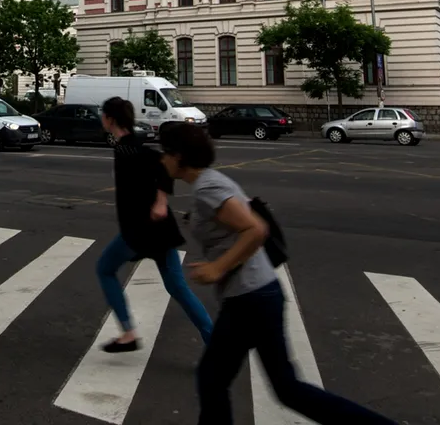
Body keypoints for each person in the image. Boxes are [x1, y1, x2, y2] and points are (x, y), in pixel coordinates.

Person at [158, 122, 398, 425]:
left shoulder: (208, 187)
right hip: (258, 295)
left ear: (178, 156)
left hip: (250, 299)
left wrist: (217, 267)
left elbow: (256, 229)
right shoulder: (211, 182)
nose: (161, 159)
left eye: (164, 152)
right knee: (282, 388)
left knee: (216, 379)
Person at [93, 96, 212, 352]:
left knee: (104, 269)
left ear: (111, 119)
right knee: (177, 287)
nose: (101, 118)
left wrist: (159, 201)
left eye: (103, 114)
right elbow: (161, 167)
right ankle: (214, 340)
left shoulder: (127, 147)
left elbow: (163, 165)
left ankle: (128, 334)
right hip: (158, 230)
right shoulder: (127, 145)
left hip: (139, 230)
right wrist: (160, 201)